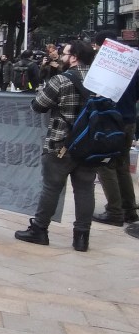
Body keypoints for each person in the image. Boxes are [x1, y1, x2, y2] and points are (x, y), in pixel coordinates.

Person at [15, 40, 98, 252]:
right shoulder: (101, 81)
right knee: (85, 190)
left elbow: (38, 105)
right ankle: (82, 238)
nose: (61, 56)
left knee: (51, 188)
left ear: (74, 57)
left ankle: (39, 229)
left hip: (61, 142)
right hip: (91, 144)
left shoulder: (61, 80)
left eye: (65, 53)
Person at [91, 30, 139, 227]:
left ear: (103, 46)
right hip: (128, 120)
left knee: (104, 165)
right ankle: (129, 209)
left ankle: (114, 211)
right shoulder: (133, 63)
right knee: (122, 165)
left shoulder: (107, 66)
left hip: (110, 121)